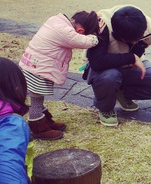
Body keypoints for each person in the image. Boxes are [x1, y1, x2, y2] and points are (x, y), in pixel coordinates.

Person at [19, 11, 99, 140]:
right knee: (37, 99)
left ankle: (44, 121)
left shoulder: (56, 21)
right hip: (39, 69)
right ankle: (38, 128)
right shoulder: (65, 32)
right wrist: (94, 38)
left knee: (38, 97)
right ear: (80, 30)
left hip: (33, 65)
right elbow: (83, 42)